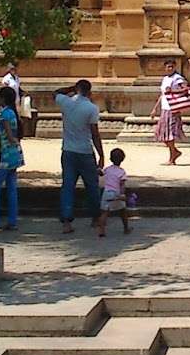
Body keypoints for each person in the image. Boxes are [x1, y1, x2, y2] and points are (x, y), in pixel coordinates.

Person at [54, 79, 104, 235]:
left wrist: (70, 88)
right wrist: (101, 154)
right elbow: (95, 134)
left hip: (68, 150)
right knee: (92, 186)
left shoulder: (66, 102)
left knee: (68, 186)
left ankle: (66, 222)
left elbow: (56, 93)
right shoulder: (91, 108)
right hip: (85, 150)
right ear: (90, 92)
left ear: (76, 89)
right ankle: (95, 217)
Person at [0, 85, 23, 231]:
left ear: (3, 99)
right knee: (11, 188)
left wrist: (13, 141)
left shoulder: (5, 114)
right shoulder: (12, 113)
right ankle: (12, 220)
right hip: (14, 154)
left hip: (7, 155)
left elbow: (8, 134)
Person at [151, 60, 190, 166]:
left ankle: (172, 157)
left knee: (170, 134)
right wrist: (155, 109)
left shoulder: (177, 78)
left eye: (171, 67)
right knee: (161, 133)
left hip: (173, 109)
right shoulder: (165, 79)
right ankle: (174, 152)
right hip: (165, 108)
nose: (169, 69)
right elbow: (162, 95)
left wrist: (173, 91)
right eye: (168, 67)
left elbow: (186, 89)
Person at [96, 147, 134, 237]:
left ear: (110, 158)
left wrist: (98, 170)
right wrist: (122, 194)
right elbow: (122, 184)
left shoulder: (107, 169)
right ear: (122, 159)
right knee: (123, 211)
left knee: (104, 212)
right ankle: (126, 228)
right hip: (116, 193)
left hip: (106, 193)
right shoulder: (121, 172)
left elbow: (101, 173)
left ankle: (101, 230)